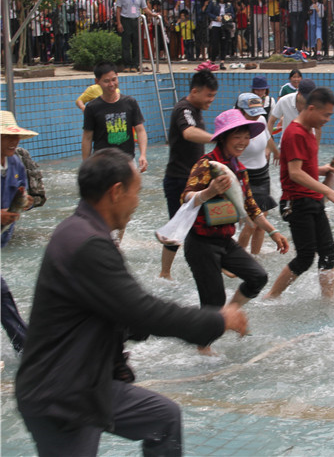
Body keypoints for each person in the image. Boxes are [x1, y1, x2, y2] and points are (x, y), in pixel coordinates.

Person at [15, 148, 249, 456]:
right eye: (135, 193)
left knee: (162, 418)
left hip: (87, 380)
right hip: (61, 393)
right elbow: (143, 312)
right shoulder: (87, 244)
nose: (137, 202)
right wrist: (219, 320)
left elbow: (124, 314)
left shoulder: (81, 231)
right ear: (116, 192)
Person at [182, 109, 288, 353]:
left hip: (224, 240)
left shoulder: (238, 168)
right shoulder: (207, 164)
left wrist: (274, 232)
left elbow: (250, 206)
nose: (242, 142)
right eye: (236, 137)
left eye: (245, 136)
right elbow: (186, 197)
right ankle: (203, 348)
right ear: (224, 137)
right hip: (201, 243)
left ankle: (229, 314)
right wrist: (208, 192)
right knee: (212, 301)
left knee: (258, 277)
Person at [265, 87, 334, 300]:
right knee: (305, 257)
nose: (328, 119)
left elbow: (302, 167)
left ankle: (328, 297)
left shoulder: (309, 131)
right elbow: (294, 174)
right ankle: (272, 296)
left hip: (311, 199)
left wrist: (323, 170)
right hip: (297, 201)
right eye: (326, 114)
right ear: (311, 108)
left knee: (329, 251)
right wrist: (329, 191)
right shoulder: (295, 133)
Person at [158, 70, 218, 280]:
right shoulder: (183, 109)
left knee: (210, 223)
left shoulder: (195, 108)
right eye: (208, 96)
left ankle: (218, 263)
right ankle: (165, 272)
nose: (211, 100)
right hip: (178, 180)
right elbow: (188, 132)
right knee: (176, 229)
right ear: (195, 91)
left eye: (213, 95)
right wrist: (215, 137)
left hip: (194, 181)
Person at [1, 111, 37, 354]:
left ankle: (25, 347)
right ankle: (25, 347)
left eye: (16, 137)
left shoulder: (15, 163)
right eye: (7, 137)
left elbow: (25, 194)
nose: (14, 142)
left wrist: (27, 202)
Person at [234, 92, 280, 255]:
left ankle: (254, 257)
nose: (255, 118)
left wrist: (276, 152)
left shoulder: (260, 120)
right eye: (250, 114)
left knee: (261, 222)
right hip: (246, 178)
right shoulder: (234, 129)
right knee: (252, 223)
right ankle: (238, 259)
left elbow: (267, 138)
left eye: (256, 113)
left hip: (263, 175)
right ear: (240, 111)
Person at [82, 62, 147, 173]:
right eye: (106, 81)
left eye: (114, 79)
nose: (111, 84)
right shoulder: (92, 107)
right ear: (97, 82)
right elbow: (87, 137)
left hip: (127, 161)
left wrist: (143, 155)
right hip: (102, 164)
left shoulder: (130, 102)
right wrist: (86, 164)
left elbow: (140, 130)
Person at [115, 0, 154, 72]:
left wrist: (152, 14)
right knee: (126, 44)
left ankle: (135, 65)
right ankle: (127, 65)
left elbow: (145, 8)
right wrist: (119, 23)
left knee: (137, 44)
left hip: (136, 20)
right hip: (126, 20)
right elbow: (118, 9)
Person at [269, 78, 321, 144]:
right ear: (299, 93)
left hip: (307, 145)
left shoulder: (315, 103)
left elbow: (318, 128)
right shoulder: (284, 101)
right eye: (306, 97)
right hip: (287, 144)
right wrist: (269, 145)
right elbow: (271, 121)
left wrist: (315, 149)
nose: (308, 100)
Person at [206, 0, 235, 70]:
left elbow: (233, 14)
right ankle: (213, 60)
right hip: (216, 25)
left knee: (224, 44)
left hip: (225, 25)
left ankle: (222, 61)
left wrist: (229, 17)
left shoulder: (228, 5)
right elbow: (208, 12)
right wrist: (216, 17)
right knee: (215, 44)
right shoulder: (214, 3)